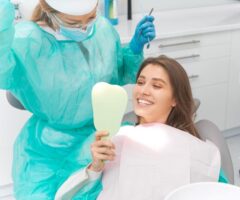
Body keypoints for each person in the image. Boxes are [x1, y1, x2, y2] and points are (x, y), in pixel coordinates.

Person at [0, 0, 155, 199]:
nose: (84, 28)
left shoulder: (102, 31)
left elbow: (118, 73)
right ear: (51, 13)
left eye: (90, 18)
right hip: (47, 150)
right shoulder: (27, 41)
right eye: (74, 23)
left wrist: (134, 48)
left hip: (97, 137)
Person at [55, 55, 225, 200]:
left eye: (157, 86)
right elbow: (71, 195)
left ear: (175, 99)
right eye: (140, 82)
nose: (143, 90)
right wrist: (95, 168)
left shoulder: (194, 150)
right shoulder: (114, 139)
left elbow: (223, 192)